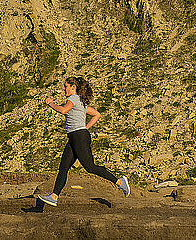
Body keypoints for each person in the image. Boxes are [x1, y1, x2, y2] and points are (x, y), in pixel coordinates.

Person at [37, 76, 130, 207]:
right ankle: (54, 196)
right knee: (63, 167)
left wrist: (50, 103)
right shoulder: (80, 101)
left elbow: (63, 110)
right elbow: (97, 114)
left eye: (66, 86)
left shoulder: (73, 99)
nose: (64, 88)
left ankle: (120, 182)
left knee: (90, 167)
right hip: (75, 137)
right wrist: (85, 128)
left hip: (79, 137)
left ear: (73, 87)